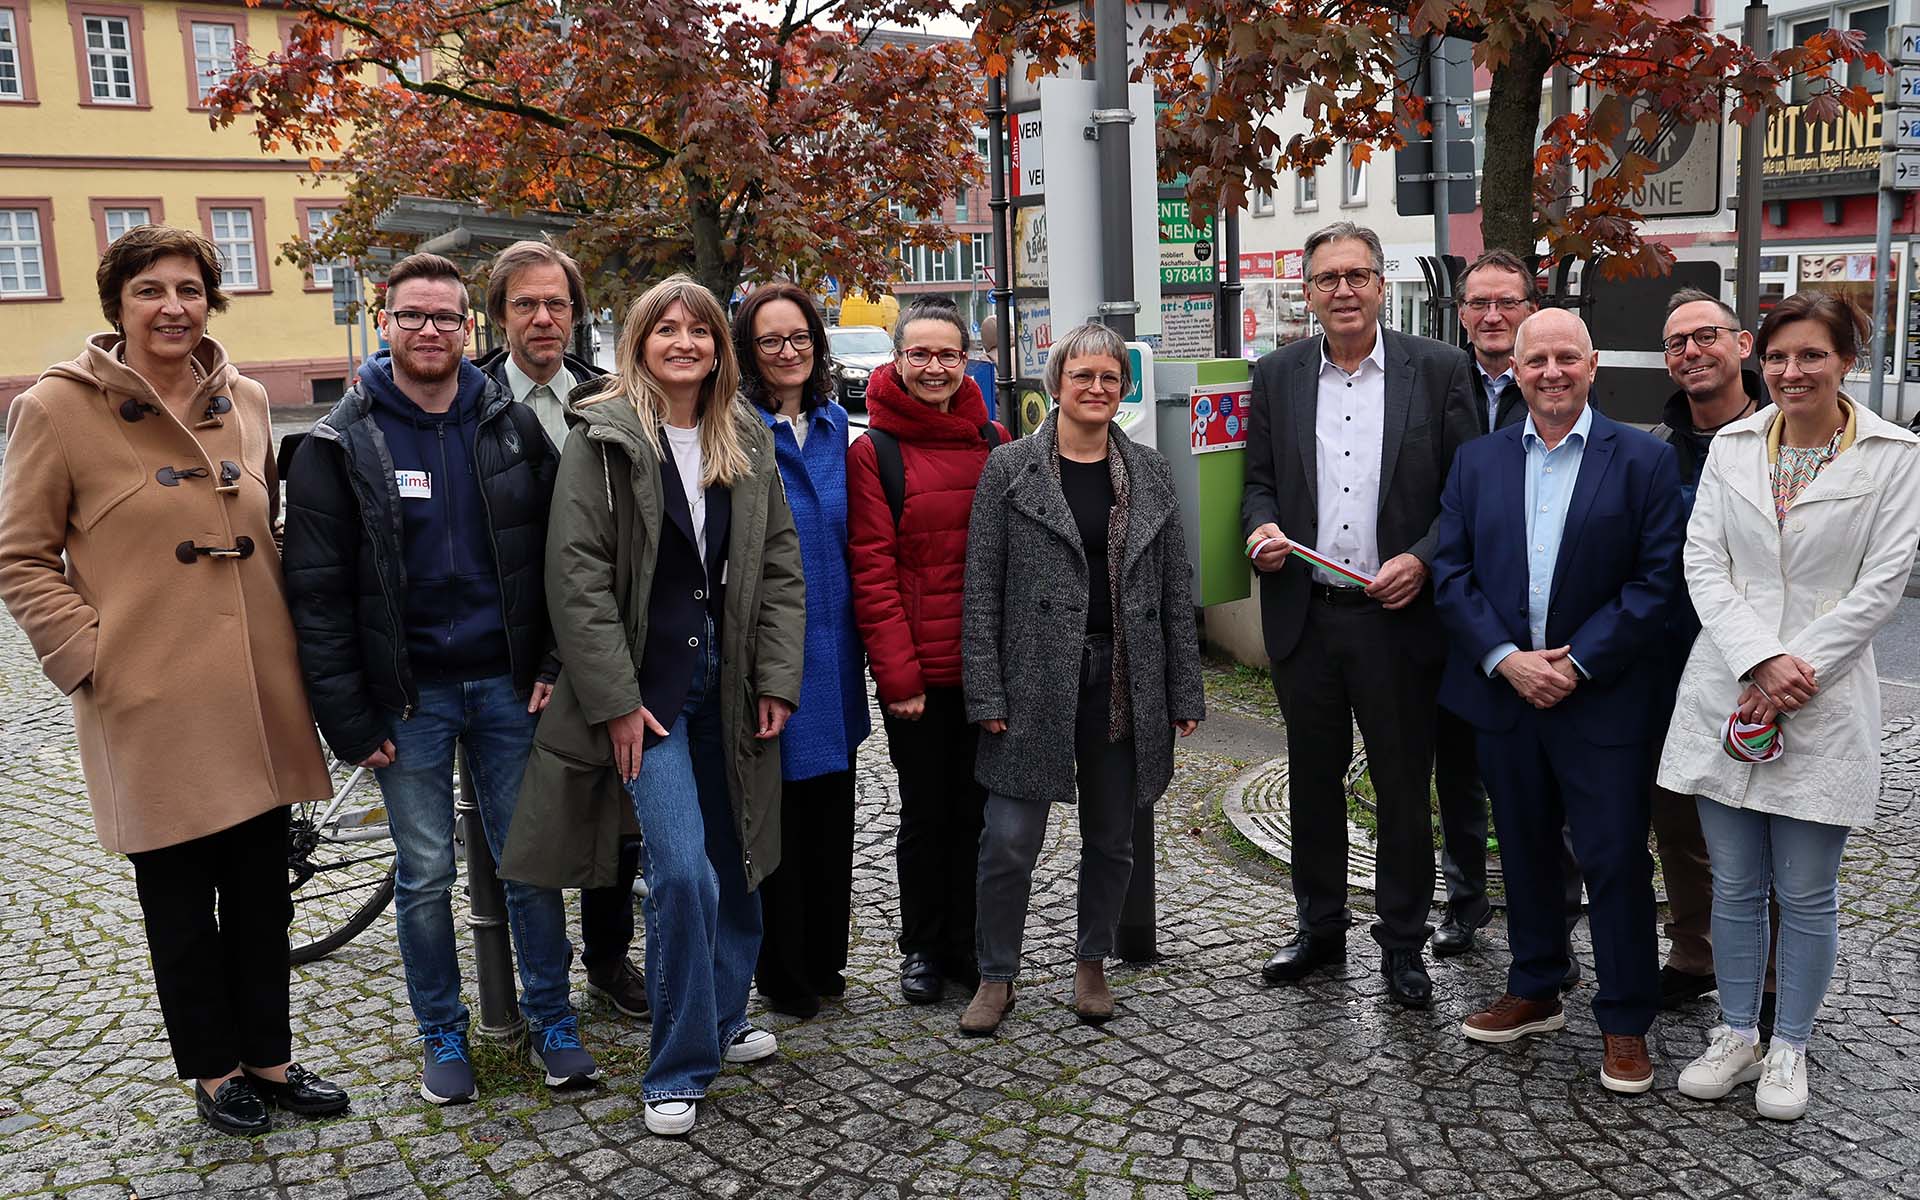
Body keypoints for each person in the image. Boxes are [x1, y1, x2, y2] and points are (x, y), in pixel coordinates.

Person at [0, 224, 348, 1135]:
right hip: (148, 694)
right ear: (117, 304)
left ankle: (269, 1057)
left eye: (190, 289)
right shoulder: (54, 407)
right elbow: (21, 557)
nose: (173, 307)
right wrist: (92, 655)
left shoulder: (245, 397)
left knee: (263, 891)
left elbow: (265, 527)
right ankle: (214, 1069)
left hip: (257, 689)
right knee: (181, 901)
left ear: (210, 301)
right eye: (151, 290)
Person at [284, 252, 594, 1105]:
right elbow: (315, 594)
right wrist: (349, 718)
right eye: (413, 315)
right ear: (384, 322)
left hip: (506, 686)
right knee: (424, 877)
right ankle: (442, 1033)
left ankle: (552, 1021)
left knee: (530, 864)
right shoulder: (338, 442)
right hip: (407, 699)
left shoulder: (509, 425)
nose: (430, 330)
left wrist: (553, 662)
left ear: (468, 327)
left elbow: (559, 556)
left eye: (446, 317)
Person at [502, 274, 804, 1138]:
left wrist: (777, 678)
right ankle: (675, 1067)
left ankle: (723, 1016)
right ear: (638, 344)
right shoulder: (601, 438)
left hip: (730, 684)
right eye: (665, 329)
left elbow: (779, 567)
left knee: (739, 858)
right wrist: (617, 702)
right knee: (679, 873)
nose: (683, 342)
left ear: (718, 348)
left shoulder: (743, 433)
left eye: (699, 330)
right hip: (648, 694)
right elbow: (578, 582)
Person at [1661, 292, 1920, 1120]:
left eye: (1811, 355)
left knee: (1806, 891)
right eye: (1777, 356)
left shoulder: (1894, 456)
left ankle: (1789, 1046)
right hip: (1729, 685)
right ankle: (1737, 1034)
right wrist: (1758, 658)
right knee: (1734, 884)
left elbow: (1883, 583)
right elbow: (1703, 562)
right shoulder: (1734, 446)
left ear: (1846, 361)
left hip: (1824, 694)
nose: (1791, 371)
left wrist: (1794, 667)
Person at [1433, 307, 1684, 1095]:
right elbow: (1451, 573)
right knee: (1525, 849)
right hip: (1507, 696)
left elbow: (1657, 582)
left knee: (1613, 859)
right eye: (1536, 359)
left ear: (1592, 364)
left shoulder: (1643, 460)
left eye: (1566, 358)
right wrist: (1506, 660)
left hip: (1602, 701)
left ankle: (1625, 1020)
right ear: (1516, 368)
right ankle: (1537, 986)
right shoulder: (1477, 461)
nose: (1551, 372)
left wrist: (1576, 664)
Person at [1242, 221, 1477, 1008]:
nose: (1342, 290)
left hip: (1397, 619)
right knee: (1311, 782)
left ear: (1381, 284)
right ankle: (1318, 927)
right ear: (1307, 293)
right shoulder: (1276, 374)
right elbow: (1259, 481)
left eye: (1356, 275)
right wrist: (1260, 530)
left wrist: (1425, 558)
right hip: (1306, 614)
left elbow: (1466, 494)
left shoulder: (1438, 369)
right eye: (1326, 279)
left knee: (1403, 787)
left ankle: (1403, 943)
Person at [958, 322, 1206, 1035]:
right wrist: (986, 689)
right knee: (1008, 839)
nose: (1096, 388)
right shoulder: (1010, 468)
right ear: (1057, 384)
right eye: (1082, 376)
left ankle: (1092, 961)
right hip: (1032, 675)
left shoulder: (1150, 472)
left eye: (1109, 378)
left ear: (1122, 388)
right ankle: (996, 974)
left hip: (1124, 673)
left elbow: (1174, 586)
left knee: (1112, 835)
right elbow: (983, 587)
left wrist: (1184, 688)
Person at [474, 240, 648, 1021]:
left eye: (556, 303)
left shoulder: (612, 398)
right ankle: (526, 987)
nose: (543, 318)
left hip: (603, 637)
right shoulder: (470, 403)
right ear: (499, 315)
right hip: (513, 650)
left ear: (576, 313)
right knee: (525, 820)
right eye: (525, 304)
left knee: (617, 807)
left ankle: (608, 959)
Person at [848, 298, 1009, 1005]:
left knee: (978, 814)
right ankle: (922, 947)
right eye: (920, 354)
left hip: (985, 667)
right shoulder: (875, 452)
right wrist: (899, 678)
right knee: (924, 814)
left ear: (967, 360)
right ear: (898, 360)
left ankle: (968, 945)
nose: (934, 367)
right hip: (918, 673)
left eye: (948, 354)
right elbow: (873, 571)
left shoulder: (993, 439)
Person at [1437, 251, 1585, 972]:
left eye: (1507, 302)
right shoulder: (1436, 379)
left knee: (1552, 788)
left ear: (1532, 309)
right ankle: (1464, 904)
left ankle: (1557, 924)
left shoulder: (1556, 382)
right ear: (1461, 313)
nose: (1492, 315)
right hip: (1457, 614)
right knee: (1457, 772)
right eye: (1478, 303)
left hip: (1544, 629)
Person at [732, 281, 870, 1019]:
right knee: (775, 813)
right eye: (770, 340)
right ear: (748, 351)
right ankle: (782, 971)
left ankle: (825, 959)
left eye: (800, 338)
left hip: (836, 649)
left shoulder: (834, 423)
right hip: (770, 652)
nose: (788, 352)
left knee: (831, 813)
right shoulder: (734, 430)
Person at [1649, 288, 1774, 1016]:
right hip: (1671, 661)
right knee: (1676, 819)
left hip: (1762, 662)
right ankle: (1695, 951)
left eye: (1706, 337)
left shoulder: (1784, 435)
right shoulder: (1656, 447)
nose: (1691, 352)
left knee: (1766, 817)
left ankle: (1770, 975)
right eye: (1677, 344)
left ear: (1742, 344)